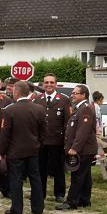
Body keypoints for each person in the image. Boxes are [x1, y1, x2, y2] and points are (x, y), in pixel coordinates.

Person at [0, 81, 46, 214]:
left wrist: (2, 151)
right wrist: (38, 145)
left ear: (17, 92)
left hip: (15, 151)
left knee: (16, 179)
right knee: (35, 178)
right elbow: (44, 132)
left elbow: (5, 134)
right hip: (33, 150)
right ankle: (38, 208)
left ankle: (17, 208)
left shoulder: (10, 110)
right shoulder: (39, 109)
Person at [57, 85, 98, 210]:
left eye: (75, 93)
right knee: (85, 175)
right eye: (73, 93)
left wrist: (75, 147)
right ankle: (84, 199)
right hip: (84, 148)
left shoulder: (85, 109)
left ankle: (71, 201)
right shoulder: (79, 108)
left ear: (83, 95)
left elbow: (83, 131)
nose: (72, 95)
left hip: (84, 149)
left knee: (77, 175)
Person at [33, 73, 71, 203]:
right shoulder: (37, 100)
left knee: (59, 168)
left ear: (56, 84)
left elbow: (67, 122)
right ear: (43, 84)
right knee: (40, 168)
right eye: (46, 82)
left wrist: (66, 141)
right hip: (41, 142)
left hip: (57, 141)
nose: (49, 85)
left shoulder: (64, 100)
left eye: (51, 82)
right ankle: (40, 193)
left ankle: (59, 193)